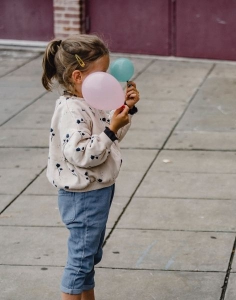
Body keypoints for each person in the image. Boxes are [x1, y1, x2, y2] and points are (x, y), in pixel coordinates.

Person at [41, 34, 140, 300]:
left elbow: (110, 135)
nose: (109, 81)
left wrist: (125, 110)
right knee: (80, 261)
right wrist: (111, 130)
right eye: (103, 74)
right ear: (77, 76)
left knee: (89, 255)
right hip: (83, 197)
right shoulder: (72, 111)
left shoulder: (89, 101)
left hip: (96, 191)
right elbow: (83, 154)